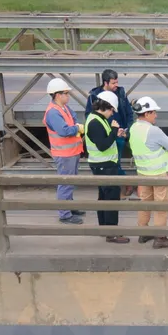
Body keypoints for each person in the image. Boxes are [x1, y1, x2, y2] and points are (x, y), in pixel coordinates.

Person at [128, 96, 168, 249]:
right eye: (154, 112)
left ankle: (143, 232)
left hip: (143, 174)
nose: (156, 115)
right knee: (161, 207)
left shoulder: (133, 128)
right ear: (147, 113)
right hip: (159, 174)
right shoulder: (153, 130)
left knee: (145, 203)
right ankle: (160, 237)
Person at [84, 90, 129, 244]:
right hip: (104, 165)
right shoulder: (95, 122)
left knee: (104, 197)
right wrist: (115, 130)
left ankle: (104, 228)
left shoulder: (97, 119)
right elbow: (103, 145)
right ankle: (112, 233)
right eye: (112, 110)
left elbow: (105, 138)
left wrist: (115, 132)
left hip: (103, 165)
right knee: (111, 198)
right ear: (106, 107)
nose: (112, 114)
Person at [42, 77, 84, 225]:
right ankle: (65, 214)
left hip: (72, 152)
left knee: (70, 181)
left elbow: (72, 117)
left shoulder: (63, 108)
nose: (68, 95)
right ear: (57, 94)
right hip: (64, 154)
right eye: (66, 93)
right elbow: (64, 130)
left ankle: (69, 207)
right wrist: (77, 128)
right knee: (65, 183)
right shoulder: (53, 112)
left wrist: (74, 127)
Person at [84, 70, 135, 181]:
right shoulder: (94, 96)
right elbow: (89, 115)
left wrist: (128, 129)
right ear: (105, 83)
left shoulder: (120, 93)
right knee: (112, 167)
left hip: (119, 135)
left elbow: (128, 112)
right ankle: (123, 185)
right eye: (113, 83)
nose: (116, 85)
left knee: (116, 163)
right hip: (104, 138)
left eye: (117, 82)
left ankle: (120, 187)